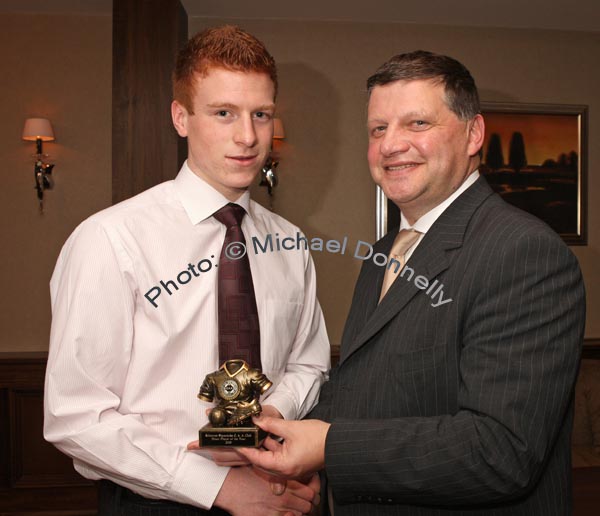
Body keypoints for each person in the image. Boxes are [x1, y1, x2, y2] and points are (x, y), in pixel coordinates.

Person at [239, 50, 586, 515]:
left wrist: (330, 446)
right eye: (378, 129)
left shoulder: (523, 252)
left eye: (417, 124)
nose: (390, 144)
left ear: (473, 134)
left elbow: (501, 451)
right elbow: (362, 388)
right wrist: (278, 427)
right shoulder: (384, 252)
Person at [44, 25, 330, 516]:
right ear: (181, 117)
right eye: (224, 113)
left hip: (274, 485)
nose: (247, 136)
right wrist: (221, 488)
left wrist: (272, 412)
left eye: (260, 114)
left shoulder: (291, 243)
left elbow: (309, 362)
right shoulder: (111, 240)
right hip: (153, 499)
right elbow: (76, 416)